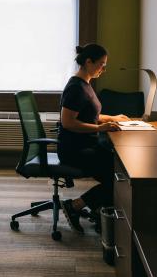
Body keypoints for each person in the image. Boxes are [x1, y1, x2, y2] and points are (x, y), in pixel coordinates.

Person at [58, 43, 130, 233]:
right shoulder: (76, 88)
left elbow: (90, 115)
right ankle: (75, 206)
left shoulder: (85, 84)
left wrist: (113, 118)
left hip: (87, 145)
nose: (103, 69)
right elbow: (68, 123)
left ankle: (99, 211)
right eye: (101, 64)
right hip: (75, 150)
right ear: (88, 62)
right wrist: (102, 127)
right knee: (118, 179)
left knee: (117, 173)